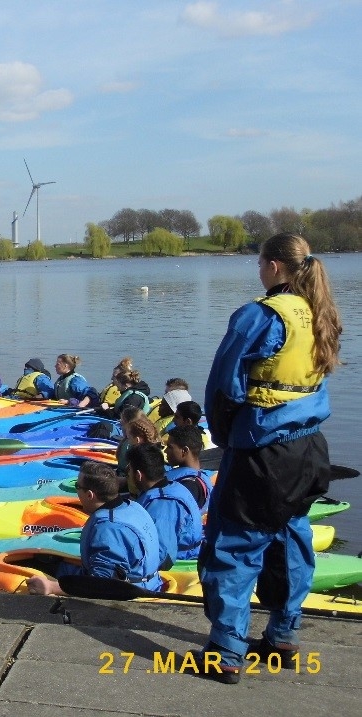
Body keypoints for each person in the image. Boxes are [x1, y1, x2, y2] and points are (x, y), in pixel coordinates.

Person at [196, 233, 342, 683]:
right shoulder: (320, 312)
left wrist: (223, 438)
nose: (258, 270)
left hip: (261, 451)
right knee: (292, 538)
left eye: (260, 262)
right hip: (309, 449)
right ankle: (282, 636)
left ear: (275, 266)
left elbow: (224, 388)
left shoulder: (259, 315)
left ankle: (225, 652)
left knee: (235, 547)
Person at [26, 461, 164, 596]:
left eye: (77, 486)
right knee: (47, 561)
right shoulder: (132, 507)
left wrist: (51, 587)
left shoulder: (108, 528)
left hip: (131, 591)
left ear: (90, 495)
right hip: (149, 580)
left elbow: (103, 585)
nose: (76, 491)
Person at [128, 442, 203, 565]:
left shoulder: (162, 505)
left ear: (138, 475)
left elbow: (163, 556)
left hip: (179, 561)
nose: (128, 475)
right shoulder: (172, 486)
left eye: (129, 470)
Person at [164, 424, 215, 513]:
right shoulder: (192, 478)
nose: (165, 451)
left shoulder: (191, 486)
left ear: (184, 450)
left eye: (170, 447)